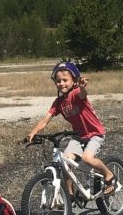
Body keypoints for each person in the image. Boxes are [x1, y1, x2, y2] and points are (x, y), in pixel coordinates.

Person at [26, 61, 115, 194]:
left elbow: (83, 94)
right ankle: (70, 195)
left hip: (94, 133)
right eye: (58, 81)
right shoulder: (59, 103)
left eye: (65, 80)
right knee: (65, 162)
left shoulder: (76, 93)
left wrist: (83, 86)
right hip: (79, 136)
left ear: (74, 81)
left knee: (87, 158)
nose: (61, 83)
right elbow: (45, 119)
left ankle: (109, 176)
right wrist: (33, 132)